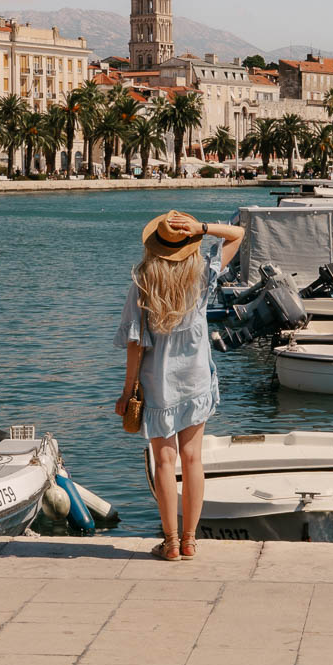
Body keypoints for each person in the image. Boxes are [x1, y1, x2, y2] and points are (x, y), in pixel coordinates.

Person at [114, 210, 244, 561]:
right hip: (196, 380)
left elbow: (134, 343)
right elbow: (237, 234)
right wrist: (202, 227)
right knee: (193, 460)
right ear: (189, 244)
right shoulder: (201, 275)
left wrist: (127, 392)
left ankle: (170, 543)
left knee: (164, 462)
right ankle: (190, 540)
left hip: (158, 385)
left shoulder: (142, 282)